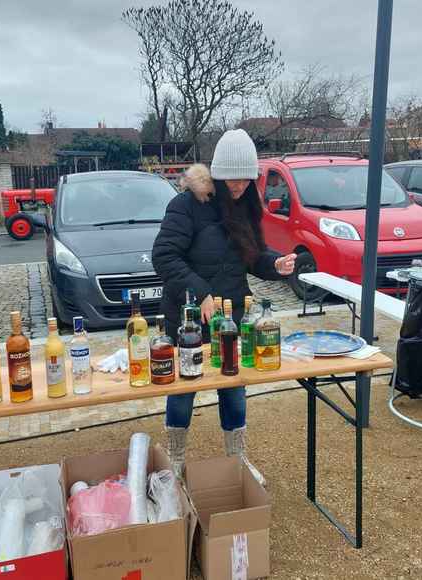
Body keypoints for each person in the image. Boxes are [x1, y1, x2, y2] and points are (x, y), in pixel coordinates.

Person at [152, 129, 296, 483]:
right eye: (232, 178)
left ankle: (237, 459)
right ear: (217, 174)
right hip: (187, 317)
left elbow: (252, 255)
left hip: (231, 317)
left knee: (234, 388)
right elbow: (164, 256)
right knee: (183, 391)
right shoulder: (187, 205)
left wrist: (274, 264)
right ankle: (176, 460)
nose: (239, 186)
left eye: (246, 179)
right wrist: (200, 293)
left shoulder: (246, 204)